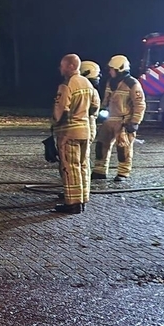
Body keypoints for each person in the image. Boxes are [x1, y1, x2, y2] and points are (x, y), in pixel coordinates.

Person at [52, 54, 101, 214]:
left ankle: (72, 203)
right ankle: (83, 198)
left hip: (69, 133)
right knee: (83, 165)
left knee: (69, 167)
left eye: (63, 65)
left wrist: (55, 125)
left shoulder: (67, 85)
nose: (61, 68)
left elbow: (61, 112)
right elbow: (95, 107)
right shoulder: (87, 83)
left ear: (71, 66)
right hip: (85, 131)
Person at [92, 55, 146, 182]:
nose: (110, 71)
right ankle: (100, 171)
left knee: (123, 148)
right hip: (109, 120)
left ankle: (123, 172)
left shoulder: (132, 83)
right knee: (101, 145)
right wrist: (102, 110)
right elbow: (107, 98)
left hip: (124, 122)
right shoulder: (111, 82)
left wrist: (135, 122)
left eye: (112, 69)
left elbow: (140, 104)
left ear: (119, 69)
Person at [79, 60, 103, 143]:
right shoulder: (92, 91)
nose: (99, 77)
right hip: (87, 123)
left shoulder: (73, 87)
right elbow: (95, 107)